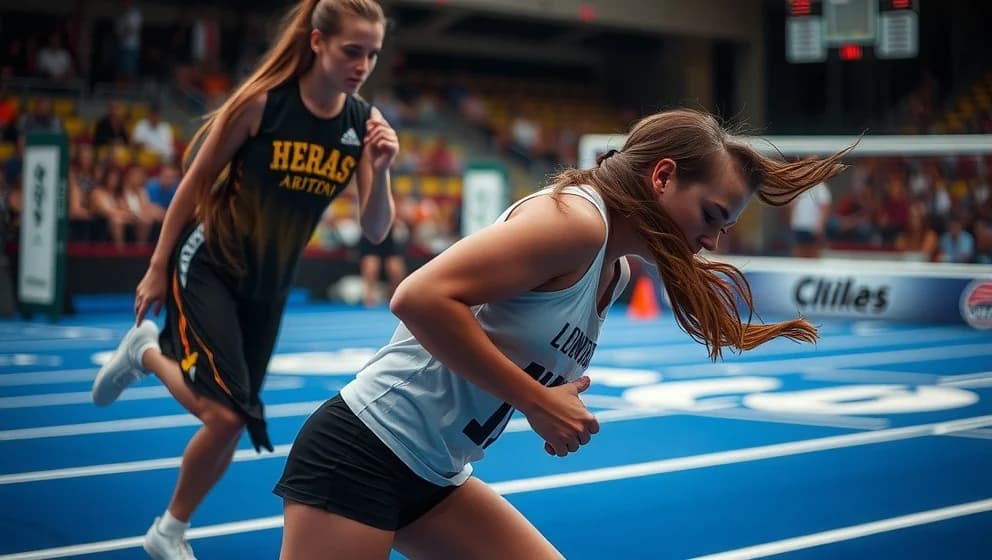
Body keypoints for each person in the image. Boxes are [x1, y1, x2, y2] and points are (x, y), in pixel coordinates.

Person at [274, 108, 852, 559]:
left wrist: (545, 401)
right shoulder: (576, 222)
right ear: (663, 176)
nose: (712, 241)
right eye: (710, 216)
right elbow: (416, 298)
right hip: (363, 451)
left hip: (435, 472)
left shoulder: (614, 272)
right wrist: (535, 400)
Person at [89, 1, 396, 558]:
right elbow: (194, 181)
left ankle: (168, 531)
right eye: (353, 50)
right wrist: (157, 267)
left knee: (232, 423)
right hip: (209, 262)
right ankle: (148, 354)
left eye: (372, 55)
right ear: (317, 42)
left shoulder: (361, 125)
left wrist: (382, 168)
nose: (363, 65)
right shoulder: (262, 105)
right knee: (227, 412)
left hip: (269, 286)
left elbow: (376, 231)